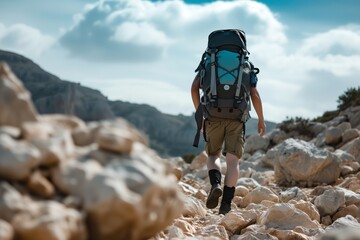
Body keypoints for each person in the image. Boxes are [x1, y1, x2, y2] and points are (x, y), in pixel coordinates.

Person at [191, 68, 266, 214]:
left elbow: (194, 88)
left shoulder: (209, 60)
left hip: (213, 115)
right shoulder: (246, 65)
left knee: (213, 155)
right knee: (233, 161)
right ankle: (226, 203)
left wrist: (201, 115)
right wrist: (261, 120)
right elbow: (254, 94)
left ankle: (216, 184)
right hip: (236, 118)